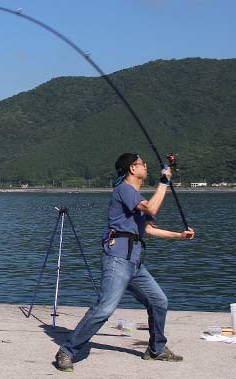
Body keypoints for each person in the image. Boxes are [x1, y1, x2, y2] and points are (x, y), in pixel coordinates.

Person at [55, 153, 195, 372]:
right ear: (132, 168)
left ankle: (156, 349)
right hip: (117, 260)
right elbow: (152, 209)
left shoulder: (135, 195)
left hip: (135, 263)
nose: (146, 167)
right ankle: (67, 351)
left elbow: (148, 229)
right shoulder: (125, 190)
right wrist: (164, 182)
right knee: (105, 308)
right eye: (142, 164)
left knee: (159, 301)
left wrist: (179, 236)